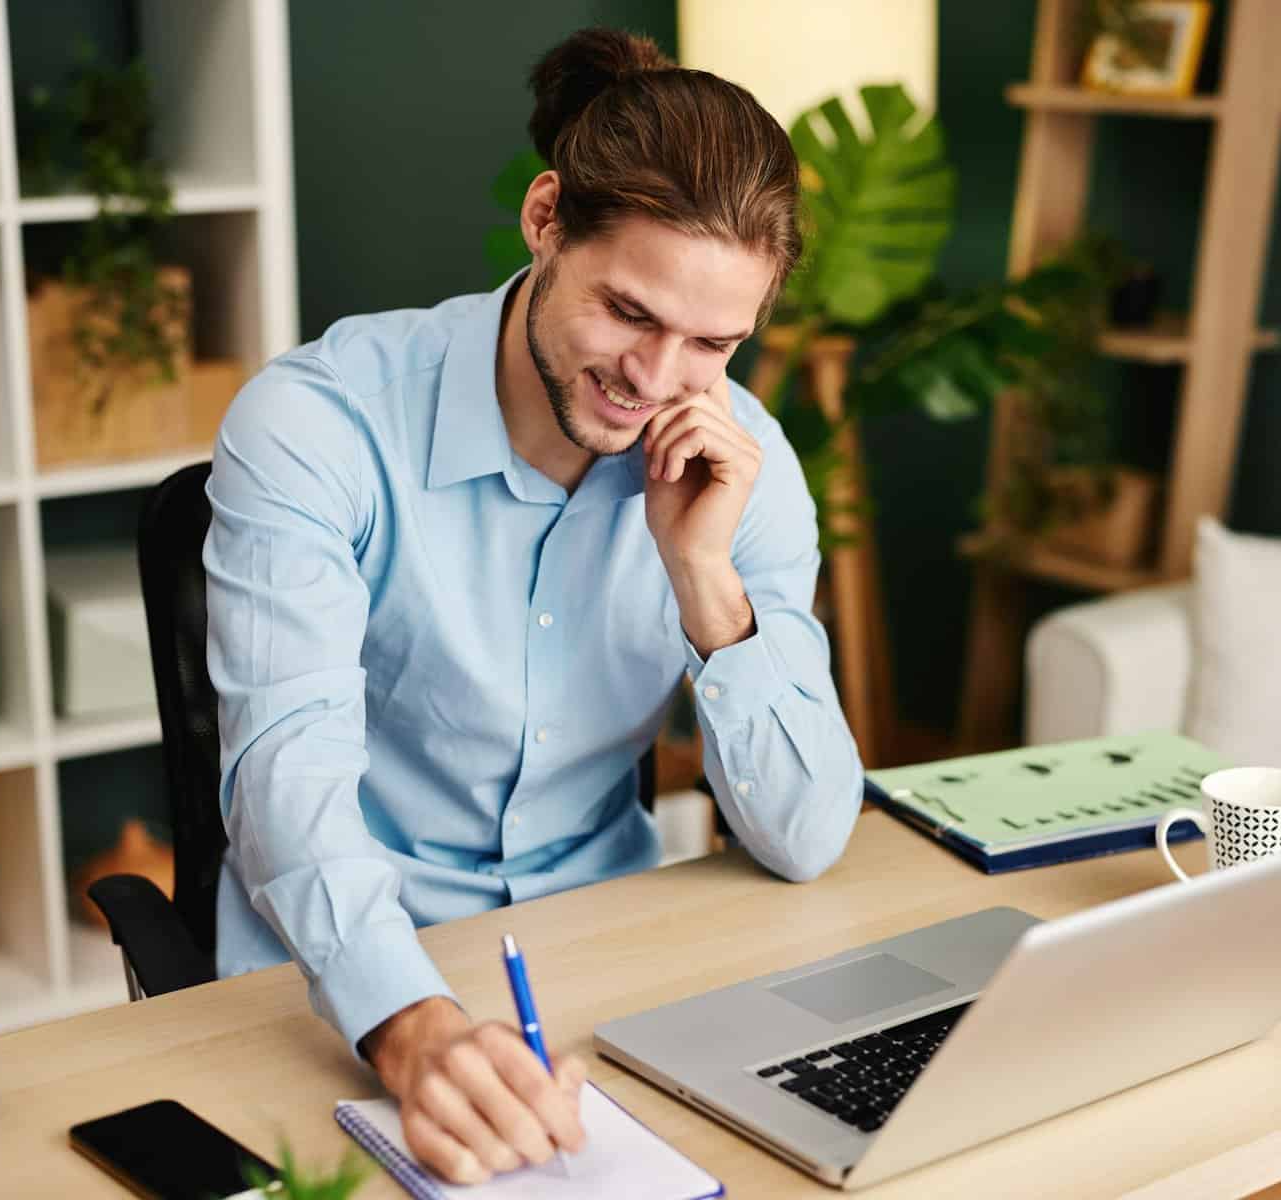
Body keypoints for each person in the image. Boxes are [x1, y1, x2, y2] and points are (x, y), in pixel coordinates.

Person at [203, 26, 863, 1186]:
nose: (654, 380)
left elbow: (807, 836)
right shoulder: (319, 425)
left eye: (711, 343)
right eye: (627, 313)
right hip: (340, 984)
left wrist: (706, 584)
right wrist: (410, 1026)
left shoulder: (738, 462)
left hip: (608, 976)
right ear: (546, 217)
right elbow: (283, 777)